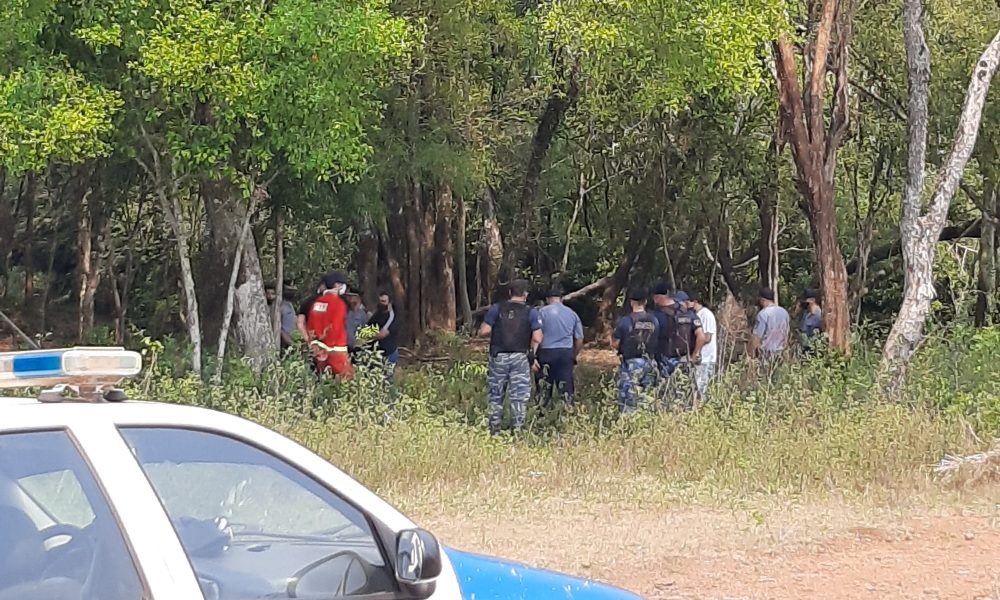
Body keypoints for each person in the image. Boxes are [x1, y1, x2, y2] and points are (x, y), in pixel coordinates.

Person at [479, 279, 543, 435]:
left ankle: (494, 429)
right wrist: (532, 354)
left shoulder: (497, 308)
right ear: (525, 294)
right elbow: (538, 337)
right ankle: (518, 429)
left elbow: (484, 331)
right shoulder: (531, 312)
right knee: (519, 395)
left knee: (496, 393)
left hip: (499, 356)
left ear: (509, 293)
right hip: (520, 357)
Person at [535, 285, 584, 407]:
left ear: (547, 299)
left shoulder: (541, 313)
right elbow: (579, 338)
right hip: (565, 353)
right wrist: (574, 354)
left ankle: (541, 413)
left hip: (545, 352)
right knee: (566, 386)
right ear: (561, 299)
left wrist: (533, 354)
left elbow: (536, 335)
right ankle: (568, 412)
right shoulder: (572, 314)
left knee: (544, 386)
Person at [613, 287, 659, 415]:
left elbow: (615, 343)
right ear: (645, 302)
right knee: (646, 395)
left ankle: (628, 423)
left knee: (629, 396)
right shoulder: (654, 320)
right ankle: (645, 420)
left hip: (630, 363)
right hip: (649, 361)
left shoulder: (625, 321)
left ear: (631, 302)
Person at [306, 271, 354, 381]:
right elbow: (336, 326)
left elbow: (310, 324)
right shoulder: (338, 303)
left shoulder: (317, 302)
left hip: (318, 348)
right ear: (336, 285)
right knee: (345, 380)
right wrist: (330, 346)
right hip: (335, 349)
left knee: (323, 379)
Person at [749, 287, 790, 379]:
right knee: (778, 379)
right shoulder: (784, 312)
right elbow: (786, 334)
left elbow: (757, 337)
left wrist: (751, 356)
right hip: (780, 352)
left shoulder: (762, 315)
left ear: (762, 300)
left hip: (766, 353)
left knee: (765, 380)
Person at [688, 293, 717, 401]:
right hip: (700, 359)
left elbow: (707, 337)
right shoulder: (696, 315)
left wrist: (694, 348)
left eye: (688, 303)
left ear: (695, 302)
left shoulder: (705, 315)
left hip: (705, 358)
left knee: (702, 389)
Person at [366, 291, 402, 378]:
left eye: (383, 301)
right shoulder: (377, 315)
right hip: (375, 354)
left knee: (387, 381)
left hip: (389, 354)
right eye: (380, 301)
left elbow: (382, 334)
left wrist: (369, 336)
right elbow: (367, 329)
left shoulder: (392, 316)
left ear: (389, 302)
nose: (381, 303)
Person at [265, 281, 298, 350]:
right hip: (283, 338)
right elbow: (278, 327)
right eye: (268, 294)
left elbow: (295, 318)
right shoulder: (269, 308)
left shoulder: (287, 305)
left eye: (273, 294)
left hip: (293, 334)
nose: (270, 296)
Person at [345, 288, 371, 363]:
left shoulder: (364, 314)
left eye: (351, 296)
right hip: (346, 348)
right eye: (348, 296)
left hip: (358, 349)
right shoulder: (346, 311)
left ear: (358, 298)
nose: (349, 299)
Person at [799, 288, 824, 354]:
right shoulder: (806, 313)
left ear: (812, 300)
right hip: (804, 350)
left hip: (813, 350)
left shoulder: (819, 315)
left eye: (806, 301)